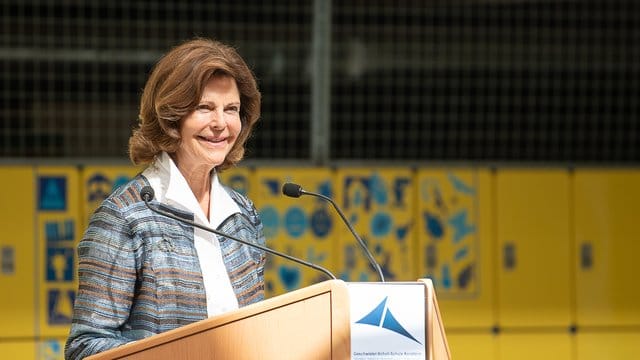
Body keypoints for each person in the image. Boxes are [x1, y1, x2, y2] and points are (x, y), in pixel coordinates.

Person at [65, 38, 265, 359]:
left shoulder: (243, 215)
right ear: (172, 117)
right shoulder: (125, 215)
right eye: (204, 108)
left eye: (232, 109)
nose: (220, 124)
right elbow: (86, 347)